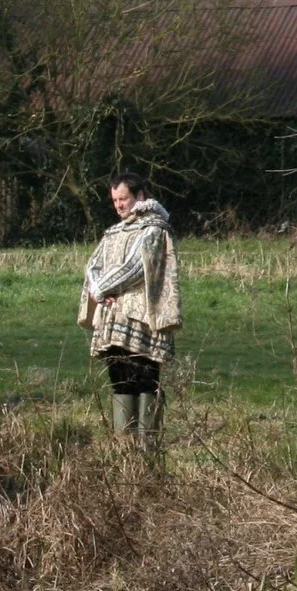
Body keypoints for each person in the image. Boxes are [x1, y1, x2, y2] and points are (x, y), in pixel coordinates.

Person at [79, 174, 181, 450]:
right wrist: (99, 287)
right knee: (120, 380)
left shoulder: (155, 229)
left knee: (145, 380)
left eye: (123, 198)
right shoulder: (113, 232)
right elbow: (93, 265)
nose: (119, 205)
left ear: (139, 195)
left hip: (142, 321)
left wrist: (101, 290)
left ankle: (148, 452)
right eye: (114, 200)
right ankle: (124, 453)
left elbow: (135, 266)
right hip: (113, 320)